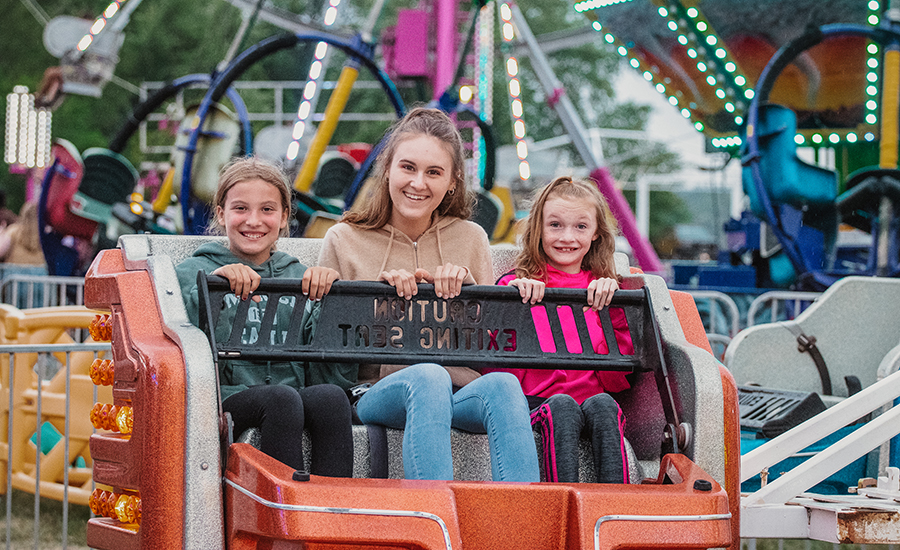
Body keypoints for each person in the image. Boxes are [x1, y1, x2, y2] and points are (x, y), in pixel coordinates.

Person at [318, 107, 539, 482]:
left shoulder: (471, 238)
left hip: (457, 390)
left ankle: (519, 527)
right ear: (387, 168)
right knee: (428, 378)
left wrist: (466, 294)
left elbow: (486, 346)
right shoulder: (344, 239)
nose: (418, 183)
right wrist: (381, 303)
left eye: (433, 172)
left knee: (504, 386)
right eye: (408, 167)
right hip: (377, 391)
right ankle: (435, 524)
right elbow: (327, 349)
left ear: (452, 182)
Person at [175, 157, 354, 477]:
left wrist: (330, 301)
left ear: (285, 217)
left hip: (289, 393)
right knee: (281, 400)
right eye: (241, 208)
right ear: (221, 214)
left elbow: (327, 373)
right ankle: (283, 516)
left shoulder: (298, 275)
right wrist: (218, 292)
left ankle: (332, 513)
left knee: (330, 398)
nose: (253, 221)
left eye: (267, 210)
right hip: (224, 398)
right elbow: (188, 349)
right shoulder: (194, 272)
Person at [485, 176, 634, 484]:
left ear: (595, 234)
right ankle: (560, 503)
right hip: (537, 403)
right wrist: (511, 305)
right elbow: (493, 370)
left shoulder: (604, 290)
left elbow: (618, 378)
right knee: (562, 406)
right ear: (538, 228)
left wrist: (613, 304)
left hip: (592, 401)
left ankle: (616, 510)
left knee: (605, 404)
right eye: (555, 225)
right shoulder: (516, 285)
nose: (567, 237)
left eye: (580, 226)